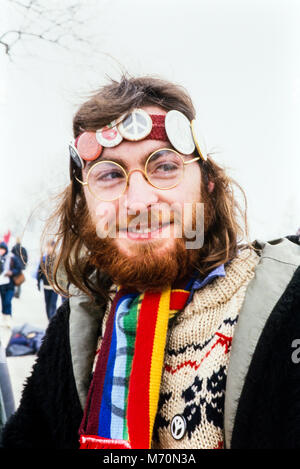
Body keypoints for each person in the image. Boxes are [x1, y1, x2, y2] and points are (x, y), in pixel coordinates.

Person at [1, 76, 300, 449]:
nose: (138, 201)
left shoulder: (288, 304)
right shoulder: (77, 328)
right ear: (85, 206)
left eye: (164, 167)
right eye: (110, 175)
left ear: (208, 183)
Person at [0, 242, 22, 328]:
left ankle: (9, 318)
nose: (1, 251)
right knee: (3, 302)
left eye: (2, 249)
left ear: (6, 249)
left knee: (8, 301)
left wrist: (12, 272)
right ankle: (5, 318)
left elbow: (19, 269)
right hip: (1, 283)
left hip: (10, 284)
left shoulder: (12, 258)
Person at [36, 241, 58, 321]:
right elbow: (39, 272)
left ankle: (52, 320)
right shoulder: (44, 259)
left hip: (55, 287)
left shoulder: (57, 259)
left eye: (50, 247)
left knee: (53, 304)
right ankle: (49, 318)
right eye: (47, 247)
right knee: (47, 304)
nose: (48, 249)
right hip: (46, 285)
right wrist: (38, 282)